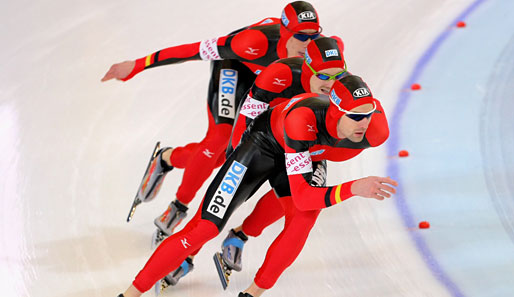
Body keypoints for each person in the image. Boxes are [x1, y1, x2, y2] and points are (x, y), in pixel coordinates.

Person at [115, 75, 398, 297]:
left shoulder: (376, 129)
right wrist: (353, 187)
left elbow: (303, 203)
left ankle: (252, 293)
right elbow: (304, 195)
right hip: (263, 146)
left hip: (308, 154)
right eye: (356, 116)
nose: (365, 123)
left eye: (369, 113)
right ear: (335, 112)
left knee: (303, 221)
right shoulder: (304, 120)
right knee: (205, 227)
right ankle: (130, 293)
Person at [101, 1, 323, 245]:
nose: (309, 44)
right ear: (284, 31)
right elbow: (192, 51)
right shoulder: (252, 42)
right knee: (219, 139)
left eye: (315, 36)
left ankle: (167, 158)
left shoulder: (318, 54)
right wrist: (137, 65)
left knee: (224, 157)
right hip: (234, 68)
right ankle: (178, 206)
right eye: (302, 36)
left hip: (264, 85)